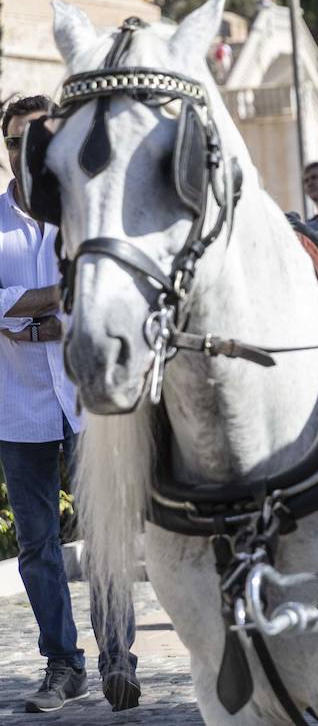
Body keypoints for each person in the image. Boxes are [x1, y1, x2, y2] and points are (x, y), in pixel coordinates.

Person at [0, 96, 139, 712]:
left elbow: (108, 295)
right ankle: (63, 664)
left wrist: (24, 308)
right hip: (16, 408)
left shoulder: (88, 213)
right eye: (14, 141)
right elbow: (72, 295)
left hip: (90, 404)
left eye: (36, 139)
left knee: (106, 537)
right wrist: (61, 297)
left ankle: (119, 659)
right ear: (5, 149)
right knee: (37, 545)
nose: (24, 151)